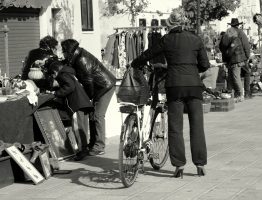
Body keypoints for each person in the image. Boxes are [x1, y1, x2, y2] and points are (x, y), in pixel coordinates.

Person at [131, 8, 210, 178]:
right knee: (197, 126)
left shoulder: (167, 39)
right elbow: (205, 65)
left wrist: (134, 63)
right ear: (183, 22)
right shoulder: (195, 39)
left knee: (175, 128)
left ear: (170, 23)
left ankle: (179, 166)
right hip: (194, 86)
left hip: (174, 86)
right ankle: (200, 164)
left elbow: (148, 54)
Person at [61, 39, 116, 156]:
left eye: (64, 51)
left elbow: (89, 81)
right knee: (92, 115)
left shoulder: (82, 59)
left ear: (69, 51)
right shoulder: (77, 56)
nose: (63, 53)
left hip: (105, 86)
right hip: (99, 86)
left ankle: (99, 146)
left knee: (98, 115)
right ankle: (93, 143)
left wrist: (88, 98)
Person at [48, 61, 94, 160]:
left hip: (76, 104)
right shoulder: (70, 73)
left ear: (56, 71)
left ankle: (82, 151)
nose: (54, 77)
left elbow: (69, 86)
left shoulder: (63, 75)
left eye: (53, 74)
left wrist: (56, 93)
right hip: (83, 103)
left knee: (77, 128)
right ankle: (84, 148)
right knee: (83, 128)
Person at [219, 18, 251, 102]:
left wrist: (225, 58)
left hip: (236, 59)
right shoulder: (240, 33)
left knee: (234, 76)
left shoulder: (227, 35)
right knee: (243, 74)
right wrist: (247, 56)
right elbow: (246, 45)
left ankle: (239, 93)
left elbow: (224, 48)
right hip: (241, 58)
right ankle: (245, 92)